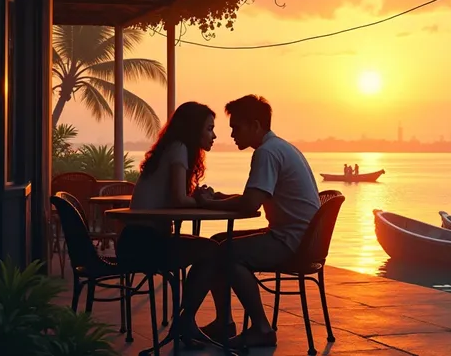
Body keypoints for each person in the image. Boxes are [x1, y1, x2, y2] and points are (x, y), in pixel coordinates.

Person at [175, 95, 320, 349]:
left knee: (227, 253)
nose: (231, 134)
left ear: (255, 125)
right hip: (303, 238)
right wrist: (219, 198)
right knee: (217, 243)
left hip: (292, 241)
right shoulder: (279, 147)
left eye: (236, 128)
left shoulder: (267, 153)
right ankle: (224, 322)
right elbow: (252, 196)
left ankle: (262, 328)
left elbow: (250, 205)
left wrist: (208, 203)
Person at [115, 101, 222, 347]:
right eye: (209, 128)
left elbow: (177, 200)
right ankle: (187, 323)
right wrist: (204, 202)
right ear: (194, 129)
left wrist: (197, 198)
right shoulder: (179, 148)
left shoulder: (173, 148)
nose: (214, 135)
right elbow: (178, 199)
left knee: (211, 249)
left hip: (137, 239)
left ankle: (190, 322)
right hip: (142, 243)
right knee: (213, 250)